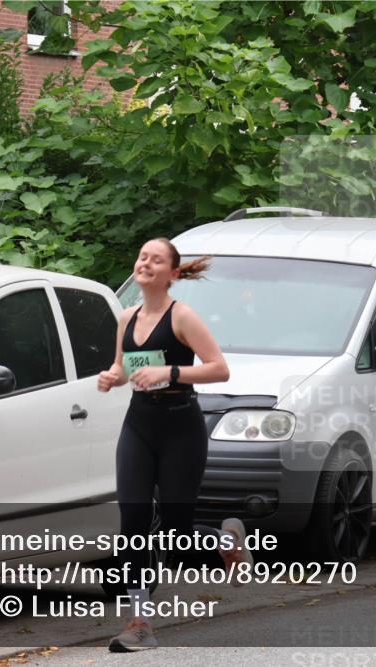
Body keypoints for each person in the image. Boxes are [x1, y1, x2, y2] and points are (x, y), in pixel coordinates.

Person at [97, 238, 253, 652]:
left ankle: (226, 542)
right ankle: (139, 622)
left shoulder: (182, 317)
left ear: (173, 274)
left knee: (174, 532)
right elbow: (122, 364)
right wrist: (112, 376)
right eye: (143, 257)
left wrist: (170, 371)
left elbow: (220, 369)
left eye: (157, 259)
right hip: (138, 423)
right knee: (132, 524)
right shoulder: (127, 316)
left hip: (181, 425)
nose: (146, 263)